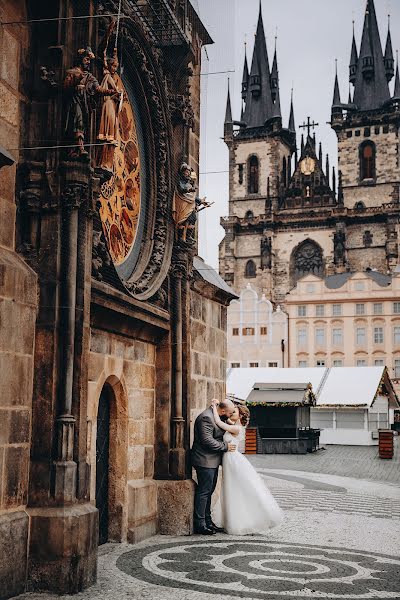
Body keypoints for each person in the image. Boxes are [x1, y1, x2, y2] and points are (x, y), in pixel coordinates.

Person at [211, 399, 284, 535]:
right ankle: (232, 520)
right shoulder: (234, 424)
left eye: (234, 412)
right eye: (231, 411)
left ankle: (240, 522)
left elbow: (219, 422)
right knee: (231, 488)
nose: (231, 413)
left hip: (233, 460)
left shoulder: (236, 428)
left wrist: (214, 407)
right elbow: (226, 422)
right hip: (230, 459)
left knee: (235, 488)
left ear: (239, 416)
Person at [191, 400, 236, 535]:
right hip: (204, 460)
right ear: (222, 411)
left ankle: (208, 522)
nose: (230, 415)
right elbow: (207, 440)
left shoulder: (216, 415)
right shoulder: (206, 417)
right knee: (204, 492)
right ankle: (200, 524)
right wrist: (225, 447)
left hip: (212, 461)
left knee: (209, 491)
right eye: (229, 412)